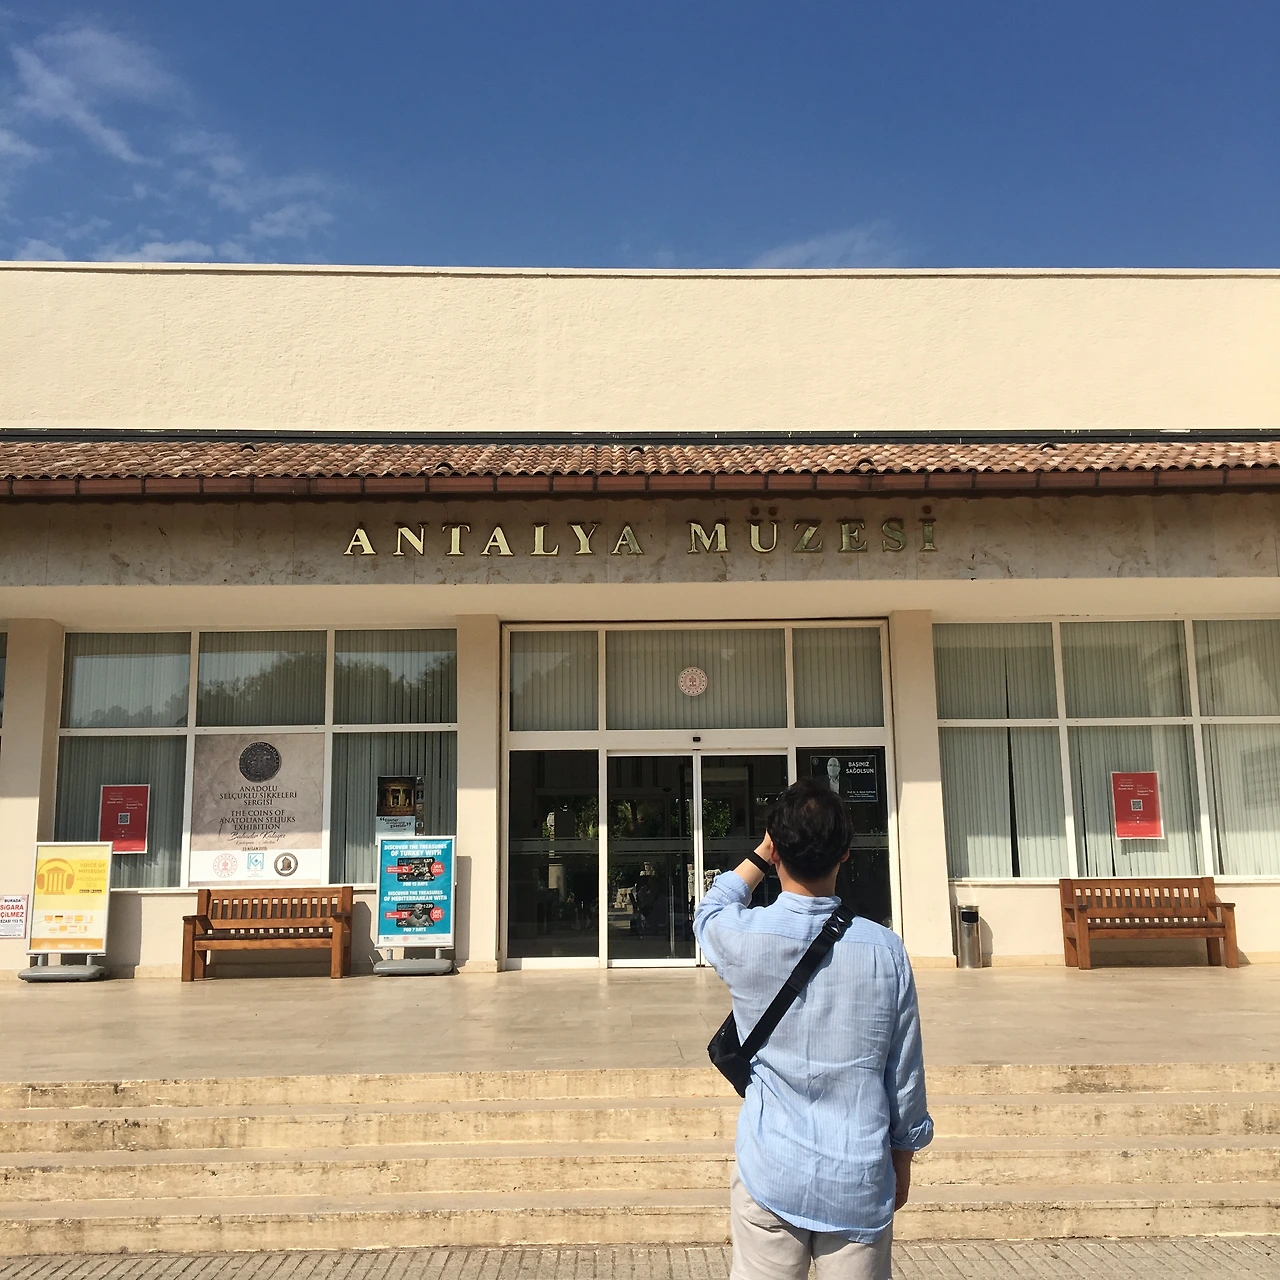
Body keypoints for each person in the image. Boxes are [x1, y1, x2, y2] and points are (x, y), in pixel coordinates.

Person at [694, 778, 932, 1280]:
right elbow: (904, 1072)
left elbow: (710, 909)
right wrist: (903, 1156)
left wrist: (762, 854)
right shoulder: (885, 950)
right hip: (858, 1176)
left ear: (777, 851)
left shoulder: (744, 937)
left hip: (772, 1170)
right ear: (845, 853)